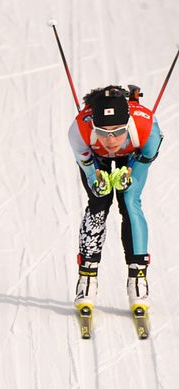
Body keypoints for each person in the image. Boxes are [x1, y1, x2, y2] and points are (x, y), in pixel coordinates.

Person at [68, 86, 163, 311]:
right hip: (95, 156)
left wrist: (129, 172)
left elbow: (145, 158)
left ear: (128, 123)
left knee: (129, 200)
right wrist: (95, 179)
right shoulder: (79, 130)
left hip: (133, 153)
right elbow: (88, 168)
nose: (110, 140)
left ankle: (138, 278)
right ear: (93, 126)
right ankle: (87, 277)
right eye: (102, 132)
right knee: (99, 201)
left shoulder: (148, 129)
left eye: (118, 131)